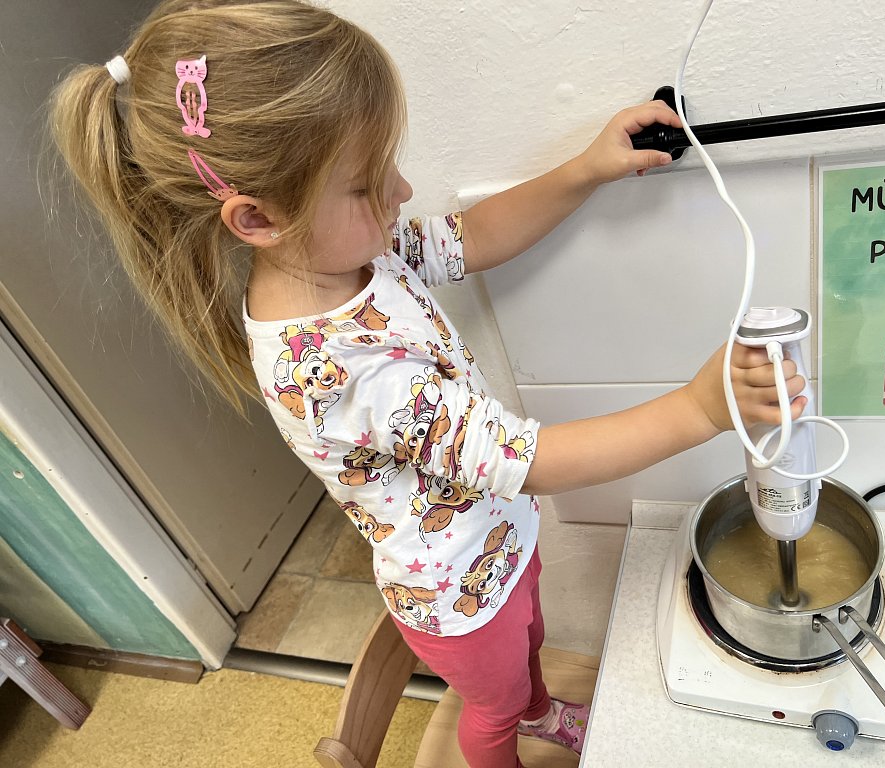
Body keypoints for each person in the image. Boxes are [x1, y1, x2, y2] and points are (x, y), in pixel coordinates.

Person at [48, 1, 806, 765]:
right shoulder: (339, 371)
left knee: (531, 648)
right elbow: (526, 458)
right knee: (493, 710)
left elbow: (472, 237)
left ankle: (541, 712)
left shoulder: (355, 260)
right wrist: (701, 409)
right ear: (257, 220)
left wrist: (586, 168)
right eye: (367, 183)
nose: (403, 190)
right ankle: (518, 726)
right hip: (456, 601)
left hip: (497, 543)